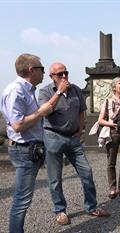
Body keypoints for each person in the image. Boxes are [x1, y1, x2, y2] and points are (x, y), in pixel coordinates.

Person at [0, 53, 67, 233]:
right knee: (22, 200)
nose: (44, 73)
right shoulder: (16, 90)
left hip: (32, 148)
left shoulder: (27, 90)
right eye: (42, 69)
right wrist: (41, 112)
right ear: (31, 70)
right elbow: (17, 125)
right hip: (24, 150)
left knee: (25, 198)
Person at [38, 62, 110, 226]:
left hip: (73, 138)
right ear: (52, 77)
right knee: (55, 178)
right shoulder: (45, 91)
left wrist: (80, 129)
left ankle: (91, 206)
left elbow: (81, 111)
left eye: (66, 73)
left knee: (87, 172)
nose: (64, 76)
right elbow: (45, 111)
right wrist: (59, 92)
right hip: (53, 136)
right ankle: (60, 211)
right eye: (60, 74)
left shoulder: (76, 89)